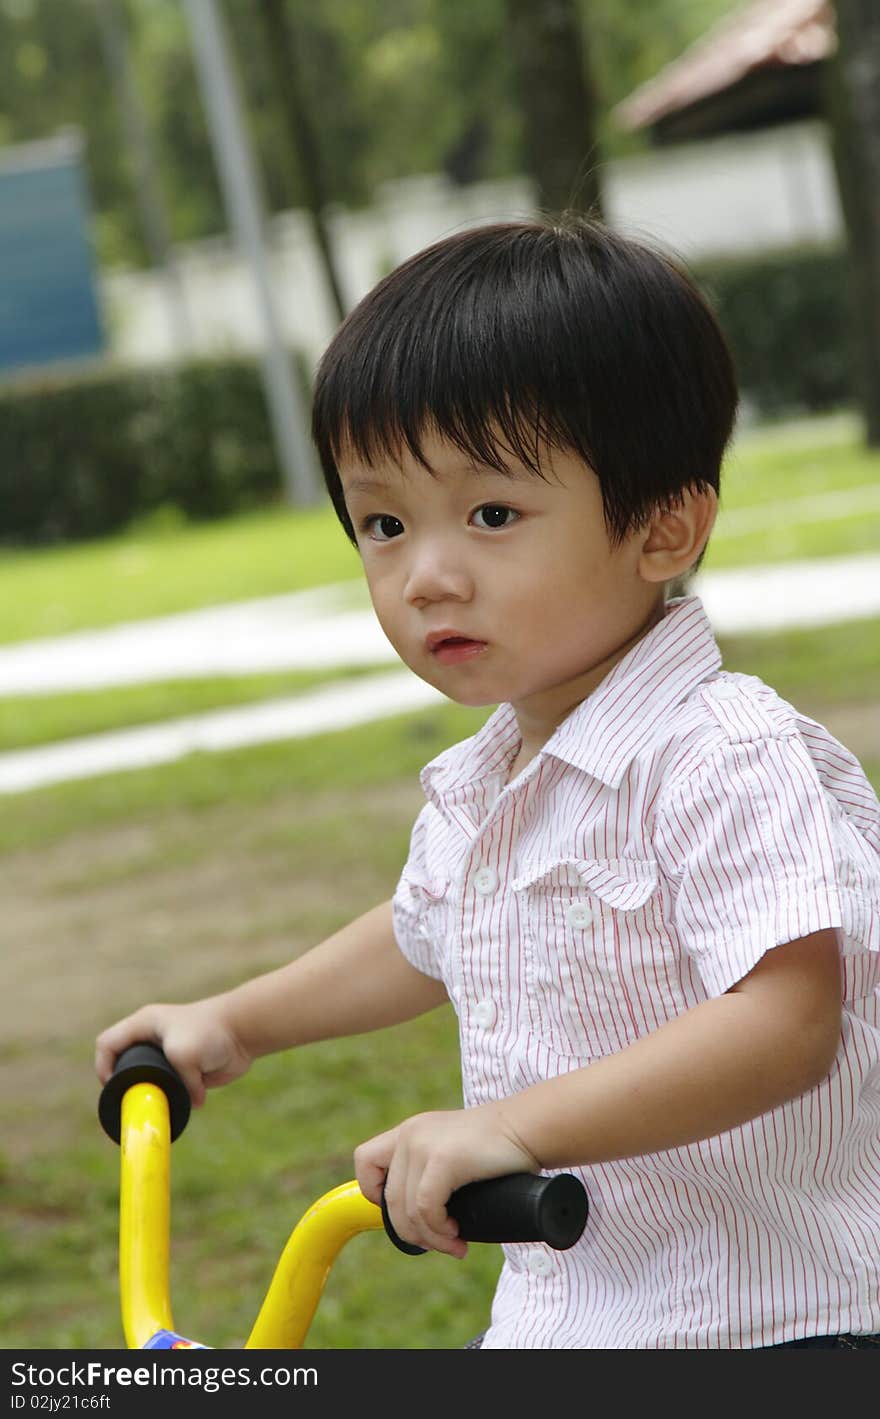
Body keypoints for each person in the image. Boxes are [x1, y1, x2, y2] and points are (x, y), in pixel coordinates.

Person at [95, 217, 880, 1350]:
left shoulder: (721, 756)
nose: (424, 576)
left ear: (664, 527)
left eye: (492, 514)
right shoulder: (495, 779)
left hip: (775, 1326)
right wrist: (235, 1023)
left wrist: (510, 1127)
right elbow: (429, 926)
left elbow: (786, 1019)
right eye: (382, 523)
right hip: (572, 1324)